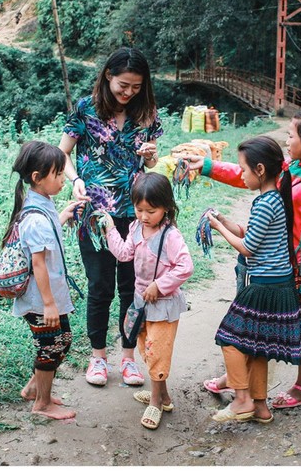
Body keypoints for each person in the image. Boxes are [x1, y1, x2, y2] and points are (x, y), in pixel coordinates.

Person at [187, 108, 301, 409]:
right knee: (260, 324)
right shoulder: (290, 170)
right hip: (277, 265)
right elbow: (249, 173)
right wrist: (207, 166)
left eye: (290, 135)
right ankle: (238, 379)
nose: (286, 141)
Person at [59, 47, 162, 387]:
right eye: (123, 85)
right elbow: (62, 154)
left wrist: (150, 154)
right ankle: (98, 357)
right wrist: (75, 180)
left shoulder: (146, 113)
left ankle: (129, 358)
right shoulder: (86, 109)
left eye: (136, 86)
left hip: (137, 215)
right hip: (95, 215)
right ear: (108, 76)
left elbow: (150, 163)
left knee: (133, 287)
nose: (128, 92)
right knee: (100, 286)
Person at [205, 136, 301, 424]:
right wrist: (224, 219)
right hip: (279, 284)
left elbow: (248, 247)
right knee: (258, 346)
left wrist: (218, 228)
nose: (240, 175)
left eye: (243, 169)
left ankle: (241, 399)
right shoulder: (275, 199)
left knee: (229, 338)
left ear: (260, 170)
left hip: (264, 285)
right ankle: (261, 408)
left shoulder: (265, 203)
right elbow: (252, 233)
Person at [101, 173, 194, 429]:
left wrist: (160, 285)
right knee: (146, 348)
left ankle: (155, 402)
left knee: (157, 352)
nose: (144, 216)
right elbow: (124, 254)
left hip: (163, 305)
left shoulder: (170, 236)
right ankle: (164, 396)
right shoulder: (135, 228)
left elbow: (186, 266)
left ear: (166, 207)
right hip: (141, 303)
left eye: (151, 211)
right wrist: (110, 229)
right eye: (139, 209)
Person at [3, 141, 82, 420]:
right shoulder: (35, 218)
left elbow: (46, 235)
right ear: (37, 178)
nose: (63, 179)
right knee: (51, 346)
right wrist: (49, 305)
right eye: (58, 174)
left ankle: (34, 389)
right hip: (41, 299)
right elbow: (38, 263)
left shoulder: (42, 203)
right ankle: (43, 404)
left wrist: (64, 215)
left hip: (49, 296)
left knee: (63, 340)